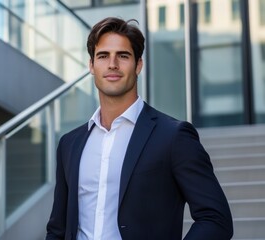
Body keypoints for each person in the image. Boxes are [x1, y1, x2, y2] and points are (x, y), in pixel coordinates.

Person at [45, 17, 233, 240]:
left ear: (138, 65)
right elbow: (57, 229)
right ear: (91, 66)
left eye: (123, 56)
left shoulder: (173, 136)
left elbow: (215, 219)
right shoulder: (70, 143)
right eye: (103, 56)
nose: (112, 64)